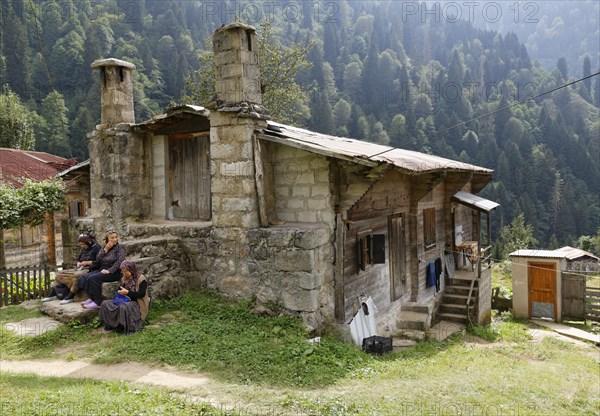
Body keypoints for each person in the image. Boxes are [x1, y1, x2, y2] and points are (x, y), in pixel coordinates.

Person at [41, 233, 101, 305]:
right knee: (60, 273)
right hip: (79, 268)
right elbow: (78, 259)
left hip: (90, 269)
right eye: (81, 244)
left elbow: (99, 262)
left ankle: (70, 296)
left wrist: (87, 263)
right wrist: (78, 262)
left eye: (83, 244)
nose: (82, 246)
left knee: (76, 276)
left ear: (88, 242)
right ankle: (53, 293)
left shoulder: (97, 248)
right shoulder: (84, 249)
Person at [99, 260, 149, 334]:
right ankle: (111, 324)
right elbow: (120, 289)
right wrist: (119, 292)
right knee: (105, 304)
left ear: (131, 270)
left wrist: (128, 292)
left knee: (124, 307)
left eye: (126, 271)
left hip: (136, 302)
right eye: (123, 271)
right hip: (123, 300)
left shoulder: (141, 279)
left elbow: (141, 294)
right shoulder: (124, 278)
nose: (124, 273)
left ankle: (130, 327)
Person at [79, 230, 126, 309]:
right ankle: (92, 298)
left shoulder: (120, 248)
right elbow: (98, 259)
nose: (114, 239)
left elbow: (119, 262)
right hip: (102, 268)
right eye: (112, 238)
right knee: (83, 278)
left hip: (114, 272)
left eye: (116, 237)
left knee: (93, 279)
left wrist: (109, 271)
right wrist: (106, 249)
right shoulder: (105, 247)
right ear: (107, 239)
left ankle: (98, 302)